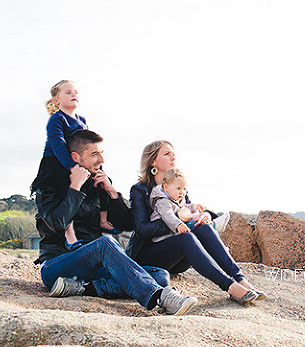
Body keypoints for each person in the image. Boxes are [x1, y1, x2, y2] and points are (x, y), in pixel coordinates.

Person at [31, 129, 198, 315]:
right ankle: (158, 296)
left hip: (93, 269)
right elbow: (57, 223)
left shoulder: (98, 182)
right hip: (57, 265)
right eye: (95, 154)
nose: (101, 160)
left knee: (161, 275)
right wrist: (75, 188)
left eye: (102, 154)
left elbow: (127, 224)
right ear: (76, 157)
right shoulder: (48, 185)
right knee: (105, 243)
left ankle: (81, 288)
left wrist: (111, 193)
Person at [127, 140, 265, 305]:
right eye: (167, 154)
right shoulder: (140, 190)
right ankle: (230, 287)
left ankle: (240, 279)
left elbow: (189, 211)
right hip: (148, 255)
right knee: (186, 237)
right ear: (152, 162)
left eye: (174, 154)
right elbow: (142, 230)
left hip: (178, 258)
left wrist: (203, 215)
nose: (173, 157)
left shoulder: (178, 185)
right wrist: (178, 218)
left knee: (203, 228)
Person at [39, 80, 116, 250]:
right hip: (56, 163)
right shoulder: (57, 119)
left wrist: (97, 168)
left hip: (78, 160)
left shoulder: (81, 119)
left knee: (102, 181)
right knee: (65, 194)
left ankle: (103, 219)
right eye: (68, 92)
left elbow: (88, 144)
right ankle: (69, 232)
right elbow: (58, 144)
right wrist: (72, 167)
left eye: (75, 92)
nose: (73, 94)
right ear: (56, 101)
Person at [149, 168, 210, 242]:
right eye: (178, 188)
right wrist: (178, 224)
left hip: (174, 233)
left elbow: (184, 207)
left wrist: (194, 207)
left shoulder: (178, 199)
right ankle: (212, 225)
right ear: (166, 187)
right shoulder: (162, 202)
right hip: (163, 237)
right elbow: (168, 215)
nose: (182, 192)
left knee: (198, 223)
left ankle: (211, 226)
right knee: (193, 227)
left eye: (184, 189)